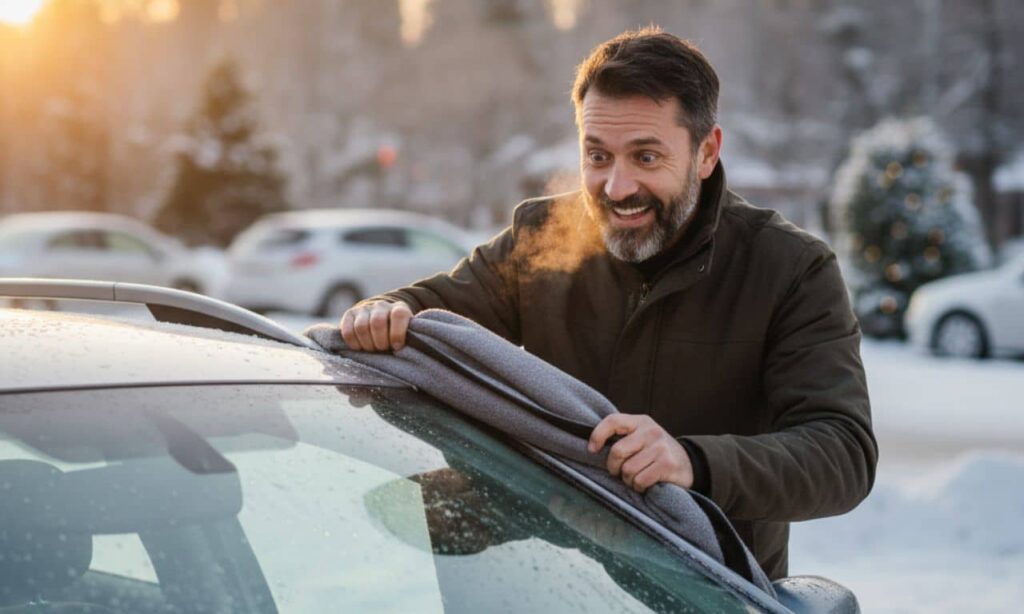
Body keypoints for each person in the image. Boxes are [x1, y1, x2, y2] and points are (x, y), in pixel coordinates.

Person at [338, 27, 877, 580]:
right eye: (597, 156)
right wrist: (387, 308)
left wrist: (691, 461)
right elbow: (432, 310)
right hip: (547, 582)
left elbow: (842, 453)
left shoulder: (790, 268)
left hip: (704, 590)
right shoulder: (541, 236)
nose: (617, 187)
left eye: (646, 157)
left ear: (707, 152)